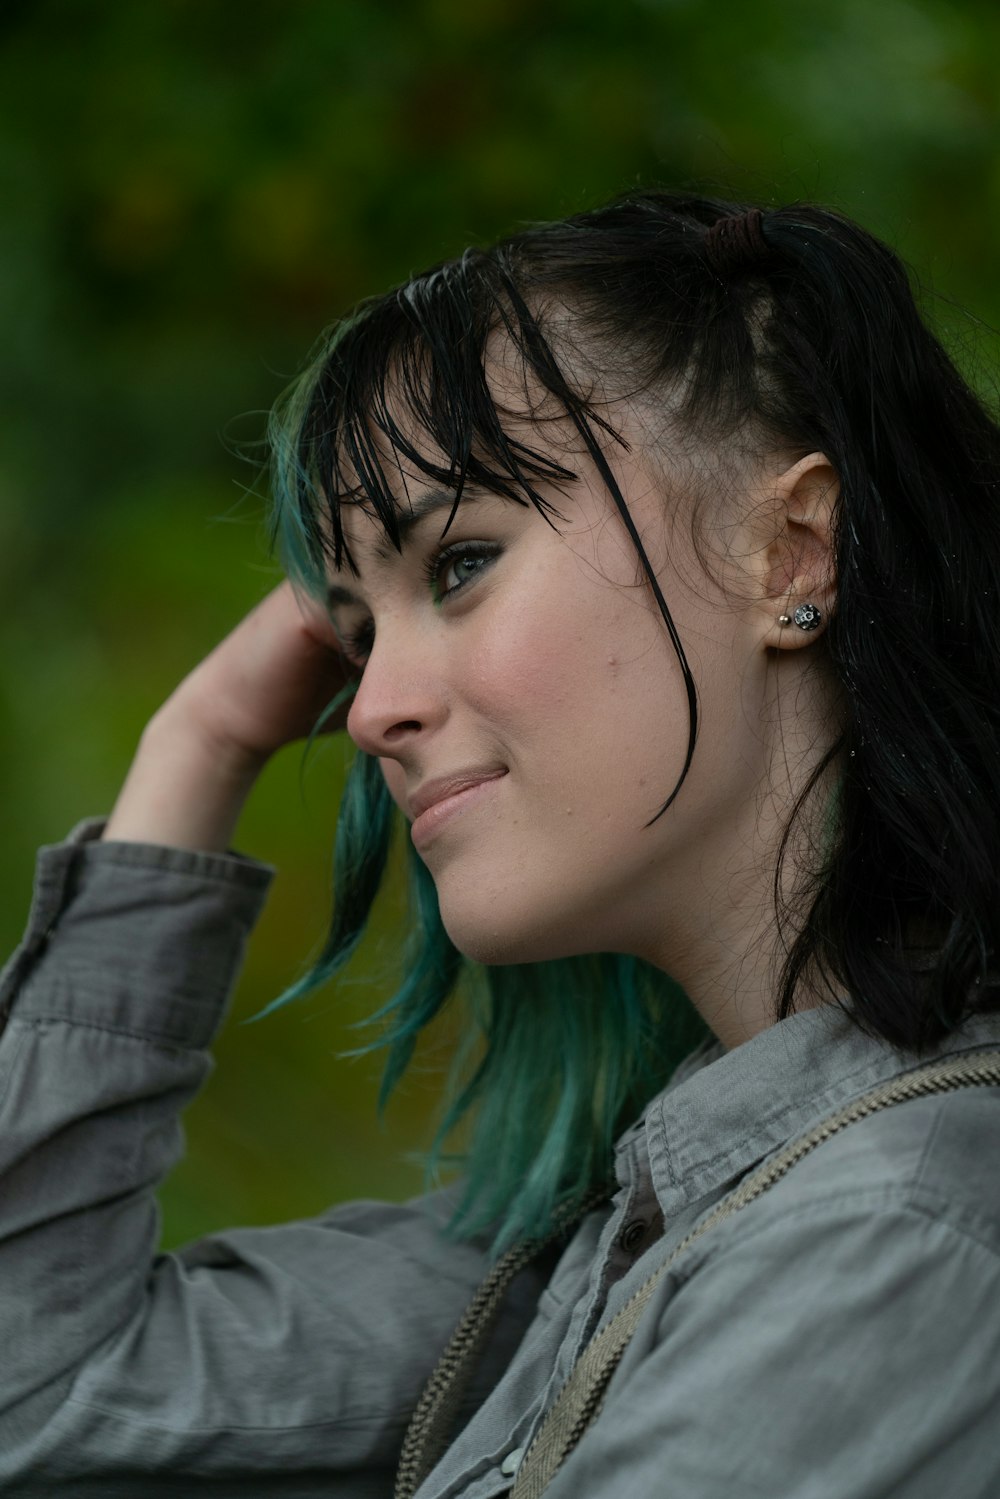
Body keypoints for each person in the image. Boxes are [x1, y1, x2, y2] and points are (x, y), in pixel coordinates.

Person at [2, 190, 1000, 1498]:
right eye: (356, 632)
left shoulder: (895, 1231)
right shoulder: (610, 1237)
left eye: (462, 563)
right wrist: (198, 743)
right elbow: (42, 1388)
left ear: (793, 552)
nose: (367, 710)